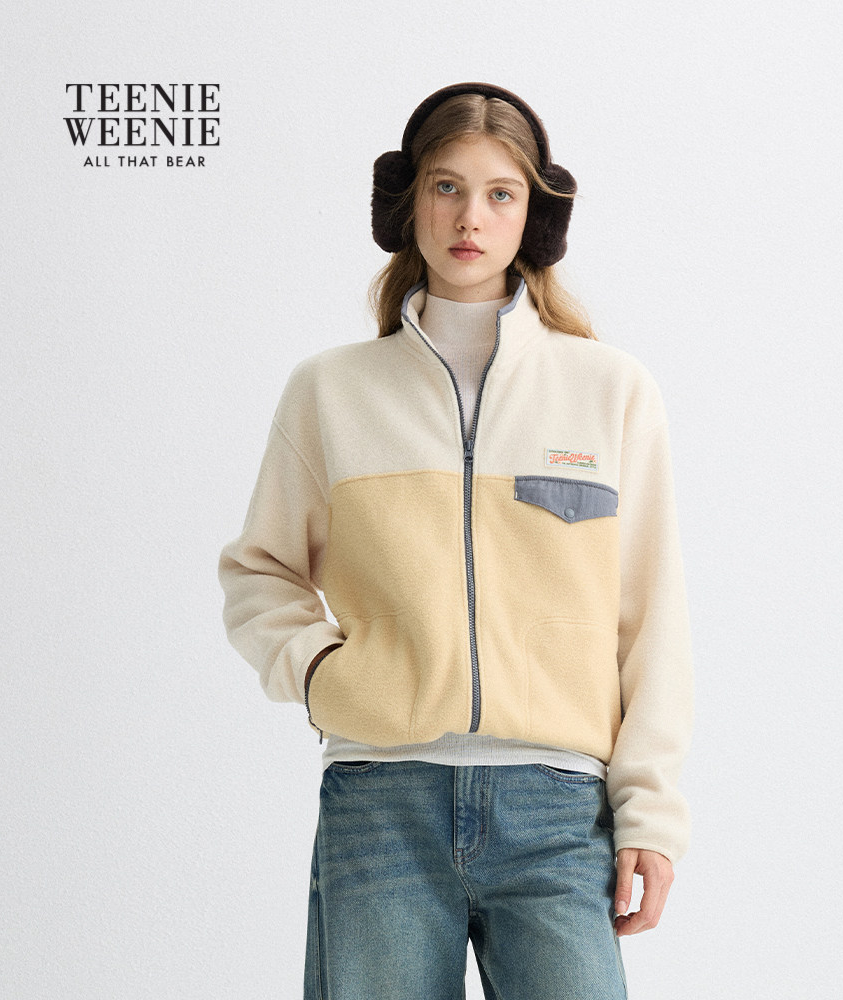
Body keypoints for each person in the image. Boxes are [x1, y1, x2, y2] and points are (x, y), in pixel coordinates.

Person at [219, 82, 693, 1000]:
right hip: (381, 804)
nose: (470, 217)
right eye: (446, 187)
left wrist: (651, 815)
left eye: (499, 193)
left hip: (558, 811)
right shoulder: (330, 392)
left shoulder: (610, 391)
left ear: (533, 216)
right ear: (410, 203)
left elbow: (652, 618)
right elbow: (259, 572)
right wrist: (323, 675)